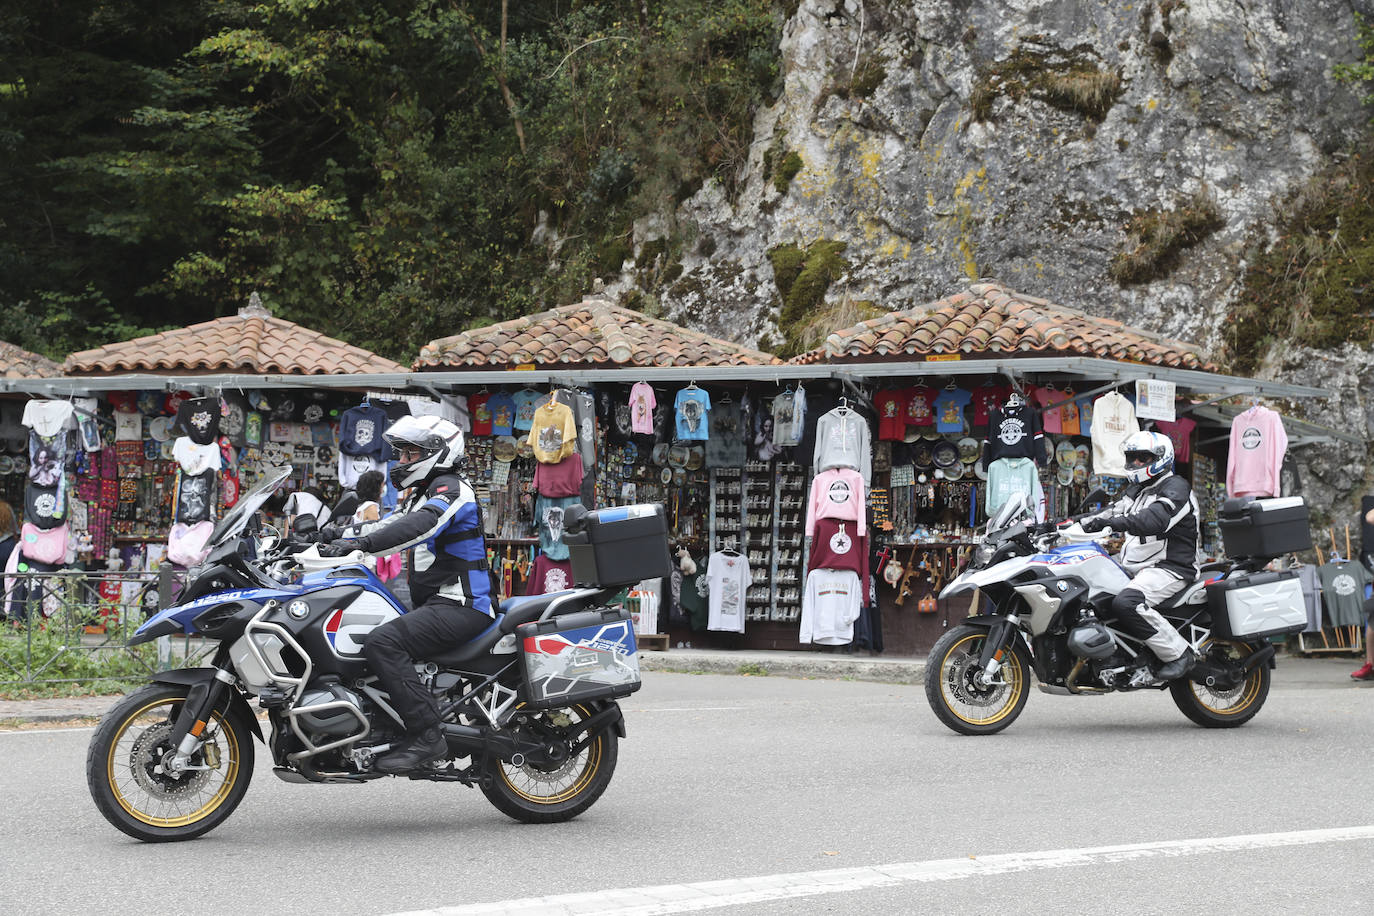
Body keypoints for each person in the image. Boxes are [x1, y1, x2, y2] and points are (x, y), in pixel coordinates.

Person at [317, 416, 493, 773]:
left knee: (383, 643)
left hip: (463, 605)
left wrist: (361, 545)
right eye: (402, 454)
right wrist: (331, 535)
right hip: (436, 604)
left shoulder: (453, 491)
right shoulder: (424, 494)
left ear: (437, 453)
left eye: (411, 454)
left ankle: (428, 734)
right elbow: (388, 523)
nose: (402, 462)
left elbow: (419, 527)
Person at [1080, 430, 1201, 680]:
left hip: (1170, 568)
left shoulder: (1176, 487)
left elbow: (1154, 520)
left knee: (1127, 602)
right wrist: (1061, 524)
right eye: (1132, 457)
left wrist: (1114, 524)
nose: (1135, 463)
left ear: (1160, 457)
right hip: (1137, 567)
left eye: (1142, 458)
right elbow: (1110, 512)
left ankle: (1180, 654)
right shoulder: (1138, 490)